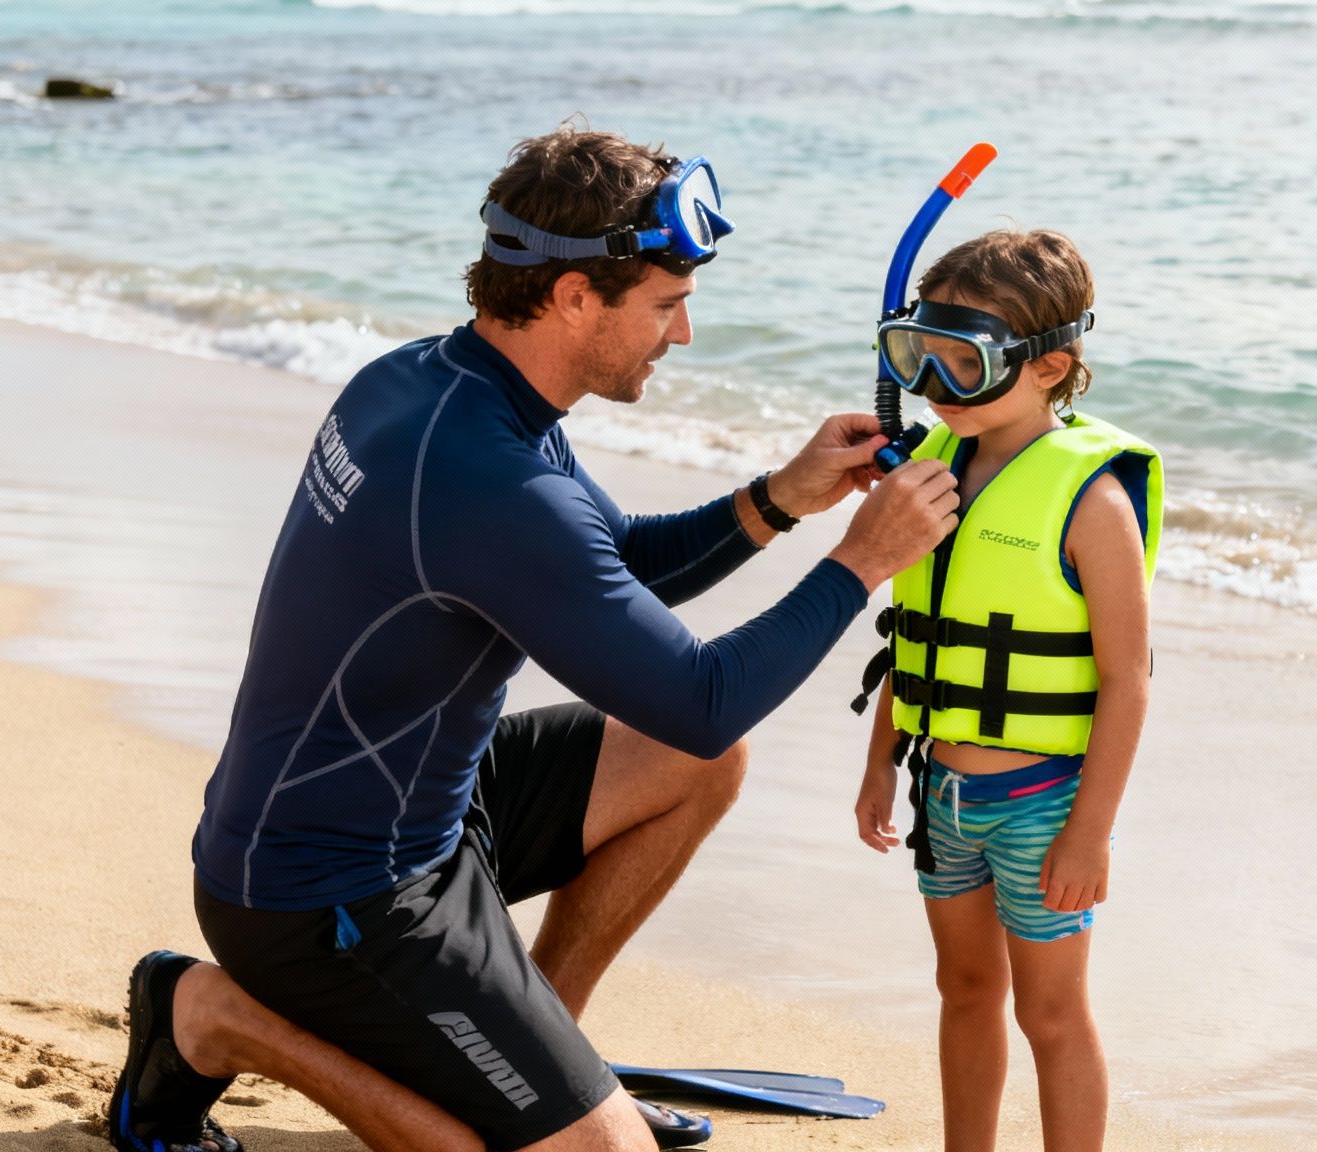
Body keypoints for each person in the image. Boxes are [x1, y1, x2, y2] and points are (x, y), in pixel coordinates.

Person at [108, 126, 960, 1152]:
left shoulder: (439, 382)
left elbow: (603, 569)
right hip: (323, 896)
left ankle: (541, 1063)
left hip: (419, 812)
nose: (682, 335)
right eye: (665, 305)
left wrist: (779, 500)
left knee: (696, 768)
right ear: (571, 298)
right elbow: (700, 692)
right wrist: (861, 562)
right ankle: (214, 1017)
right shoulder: (487, 479)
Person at [849, 229, 1162, 1152]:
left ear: (1048, 365)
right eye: (921, 357)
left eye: (965, 363)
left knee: (1052, 1016)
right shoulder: (931, 475)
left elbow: (1128, 680)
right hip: (940, 793)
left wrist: (1091, 831)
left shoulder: (1090, 503)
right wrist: (880, 764)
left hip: (1041, 805)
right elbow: (914, 640)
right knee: (965, 992)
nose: (937, 387)